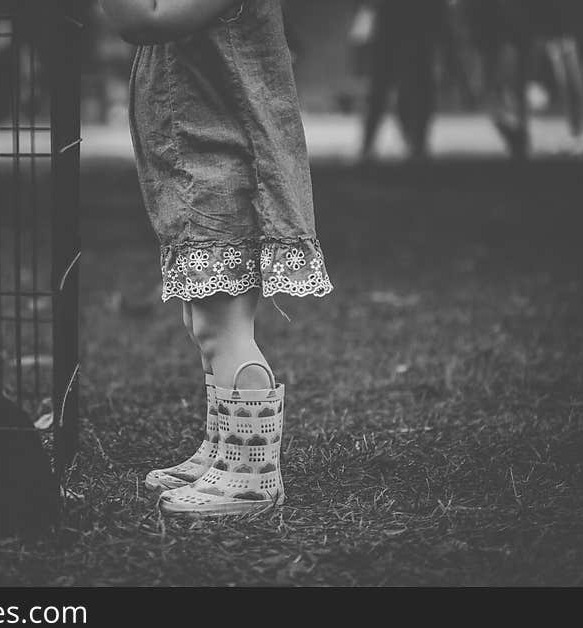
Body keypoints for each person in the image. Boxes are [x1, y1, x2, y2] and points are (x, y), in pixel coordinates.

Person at [98, 0, 334, 516]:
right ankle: (225, 450)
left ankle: (251, 479)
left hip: (220, 174)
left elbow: (143, 21)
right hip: (196, 173)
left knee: (222, 330)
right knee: (201, 322)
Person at [359, 0, 453, 161]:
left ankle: (411, 142)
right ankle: (415, 142)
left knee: (387, 88)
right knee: (416, 87)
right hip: (412, 29)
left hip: (399, 28)